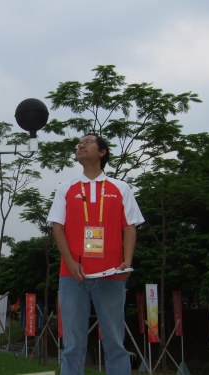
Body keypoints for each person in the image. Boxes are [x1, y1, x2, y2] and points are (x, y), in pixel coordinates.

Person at [47, 133, 144, 375]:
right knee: (73, 344)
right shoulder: (65, 188)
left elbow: (129, 227)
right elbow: (57, 227)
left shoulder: (120, 188)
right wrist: (70, 263)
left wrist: (128, 261)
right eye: (79, 144)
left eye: (88, 142)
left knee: (115, 343)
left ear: (102, 152)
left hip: (111, 275)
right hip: (73, 276)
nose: (81, 145)